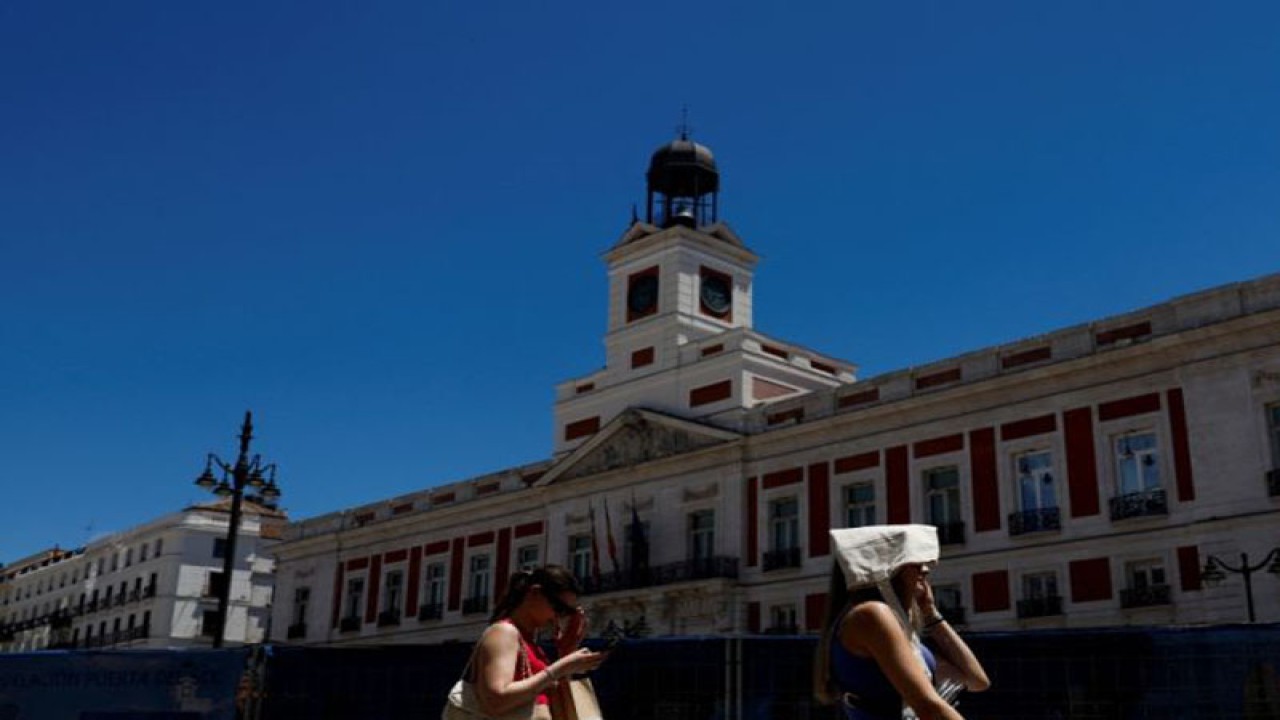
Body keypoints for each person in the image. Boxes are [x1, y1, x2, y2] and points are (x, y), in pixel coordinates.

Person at [814, 525, 990, 720]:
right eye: (912, 559)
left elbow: (975, 681)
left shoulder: (889, 625)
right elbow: (929, 707)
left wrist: (931, 613)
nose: (924, 569)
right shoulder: (872, 615)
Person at [465, 565, 606, 720]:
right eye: (558, 608)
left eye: (566, 612)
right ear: (535, 593)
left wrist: (565, 653)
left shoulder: (531, 644)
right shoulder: (504, 632)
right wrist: (560, 668)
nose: (558, 617)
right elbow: (495, 700)